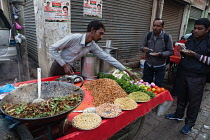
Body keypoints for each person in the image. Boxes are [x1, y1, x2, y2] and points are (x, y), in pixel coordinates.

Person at [49, 20, 139, 80]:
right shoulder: (74, 38)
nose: (101, 37)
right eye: (100, 33)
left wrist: (127, 71)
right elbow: (52, 48)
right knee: (51, 87)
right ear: (92, 30)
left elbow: (108, 57)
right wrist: (64, 65)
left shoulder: (92, 46)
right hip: (58, 66)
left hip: (70, 69)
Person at [165, 18, 210, 134]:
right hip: (183, 72)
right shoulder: (190, 39)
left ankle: (189, 124)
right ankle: (178, 114)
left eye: (199, 29)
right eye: (195, 28)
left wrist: (195, 55)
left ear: (207, 29)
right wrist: (181, 50)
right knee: (181, 96)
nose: (195, 31)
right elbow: (186, 53)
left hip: (197, 76)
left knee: (194, 102)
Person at [140, 18, 173, 87]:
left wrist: (161, 54)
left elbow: (171, 51)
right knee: (146, 85)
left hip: (160, 66)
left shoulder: (167, 37)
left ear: (162, 27)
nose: (155, 28)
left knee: (158, 86)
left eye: (158, 26)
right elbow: (141, 47)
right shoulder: (148, 35)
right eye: (154, 25)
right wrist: (144, 49)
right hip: (148, 64)